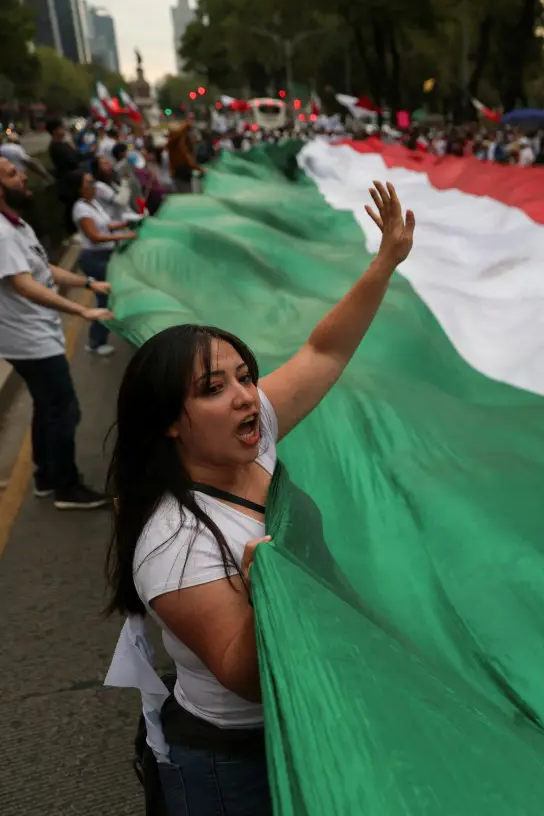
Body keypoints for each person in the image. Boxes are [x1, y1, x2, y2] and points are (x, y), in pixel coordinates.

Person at [104, 180, 415, 816]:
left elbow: (323, 349)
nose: (247, 396)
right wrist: (264, 581)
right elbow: (243, 675)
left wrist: (383, 265)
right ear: (170, 419)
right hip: (236, 764)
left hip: (311, 715)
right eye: (214, 388)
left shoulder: (251, 436)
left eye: (244, 376)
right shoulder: (173, 541)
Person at [0, 157, 113, 509]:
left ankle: (46, 476)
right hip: (29, 340)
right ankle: (67, 487)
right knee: (65, 409)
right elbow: (24, 284)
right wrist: (82, 308)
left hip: (34, 334)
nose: (22, 175)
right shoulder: (2, 234)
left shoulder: (15, 226)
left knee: (48, 407)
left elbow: (43, 269)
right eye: (10, 173)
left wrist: (88, 282)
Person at [70, 169, 136, 356]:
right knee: (105, 299)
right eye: (89, 183)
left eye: (93, 182)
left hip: (106, 255)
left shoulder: (92, 204)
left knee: (111, 296)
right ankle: (95, 342)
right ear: (79, 189)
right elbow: (95, 236)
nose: (94, 186)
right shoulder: (81, 209)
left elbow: (106, 225)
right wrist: (127, 235)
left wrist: (126, 224)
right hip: (94, 258)